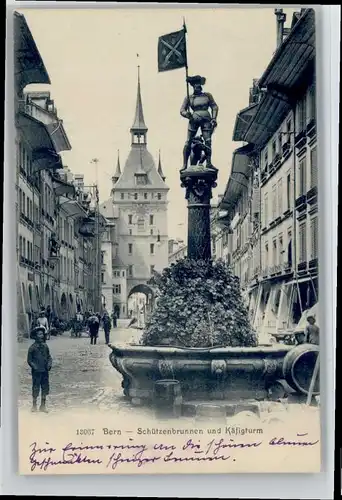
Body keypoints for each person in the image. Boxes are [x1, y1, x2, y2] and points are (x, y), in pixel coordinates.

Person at [180, 75, 218, 171]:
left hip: (206, 120)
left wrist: (214, 118)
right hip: (194, 119)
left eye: (199, 84)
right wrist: (186, 114)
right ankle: (184, 164)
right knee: (188, 141)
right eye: (195, 84)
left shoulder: (207, 95)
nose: (197, 86)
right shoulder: (189, 98)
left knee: (208, 141)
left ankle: (208, 163)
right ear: (192, 86)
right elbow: (182, 110)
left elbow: (214, 107)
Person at [27, 326, 52, 413]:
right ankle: (34, 405)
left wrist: (49, 364)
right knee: (36, 387)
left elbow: (49, 357)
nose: (41, 336)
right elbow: (29, 360)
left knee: (45, 387)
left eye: (42, 334)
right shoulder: (32, 348)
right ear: (35, 336)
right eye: (39, 334)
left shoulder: (45, 346)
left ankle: (43, 405)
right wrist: (34, 366)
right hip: (36, 372)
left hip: (45, 371)